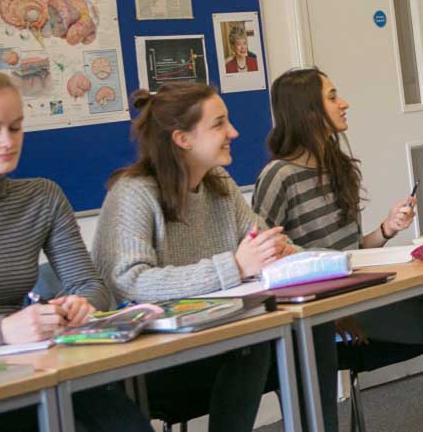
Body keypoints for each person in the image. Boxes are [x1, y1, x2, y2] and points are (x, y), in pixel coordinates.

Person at [253, 67, 423, 432]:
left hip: (359, 297)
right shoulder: (279, 176)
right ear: (309, 112)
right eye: (333, 96)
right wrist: (332, 310)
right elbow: (266, 258)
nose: (344, 103)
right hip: (316, 313)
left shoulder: (336, 168)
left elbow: (351, 251)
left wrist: (386, 229)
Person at [0, 58, 151, 432]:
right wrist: (1, 331)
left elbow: (92, 287)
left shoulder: (42, 197)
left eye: (15, 127)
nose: (7, 142)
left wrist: (80, 305)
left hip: (33, 363)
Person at [91, 82, 291, 432]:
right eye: (219, 124)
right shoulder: (134, 194)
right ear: (182, 139)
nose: (234, 132)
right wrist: (236, 266)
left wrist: (290, 254)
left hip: (214, 340)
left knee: (297, 337)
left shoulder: (220, 183)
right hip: (149, 359)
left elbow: (262, 241)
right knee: (256, 345)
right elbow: (129, 282)